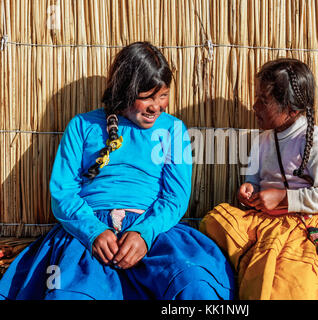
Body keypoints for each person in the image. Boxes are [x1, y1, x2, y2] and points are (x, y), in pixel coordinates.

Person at [0, 42, 234, 300]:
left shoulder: (172, 130)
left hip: (154, 231)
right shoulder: (82, 126)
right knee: (71, 292)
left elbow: (174, 198)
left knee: (191, 284)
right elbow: (63, 192)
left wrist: (144, 234)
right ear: (124, 91)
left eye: (163, 95)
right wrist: (93, 232)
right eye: (146, 96)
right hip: (87, 234)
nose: (156, 106)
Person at [199, 58, 318, 300]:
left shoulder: (316, 140)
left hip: (304, 225)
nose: (254, 106)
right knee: (215, 221)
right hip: (266, 221)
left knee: (285, 279)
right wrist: (249, 189)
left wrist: (284, 198)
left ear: (292, 109)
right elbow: (253, 178)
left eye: (263, 101)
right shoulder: (262, 141)